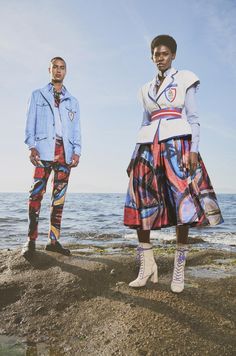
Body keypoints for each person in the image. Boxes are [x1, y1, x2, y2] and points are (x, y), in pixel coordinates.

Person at [124, 35, 223, 293]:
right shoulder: (144, 89)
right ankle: (147, 266)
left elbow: (194, 117)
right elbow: (144, 122)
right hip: (147, 147)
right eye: (156, 54)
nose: (160, 57)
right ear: (152, 57)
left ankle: (178, 270)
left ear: (173, 55)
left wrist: (194, 149)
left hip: (177, 144)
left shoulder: (185, 78)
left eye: (165, 53)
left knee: (183, 203)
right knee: (141, 202)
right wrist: (134, 154)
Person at [22, 57, 81, 258]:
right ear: (49, 70)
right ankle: (31, 240)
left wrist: (77, 151)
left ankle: (53, 241)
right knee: (35, 194)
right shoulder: (37, 95)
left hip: (65, 153)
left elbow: (76, 129)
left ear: (66, 71)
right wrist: (31, 146)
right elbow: (30, 123)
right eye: (55, 67)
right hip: (44, 150)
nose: (58, 71)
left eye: (62, 68)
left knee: (59, 198)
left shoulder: (73, 101)